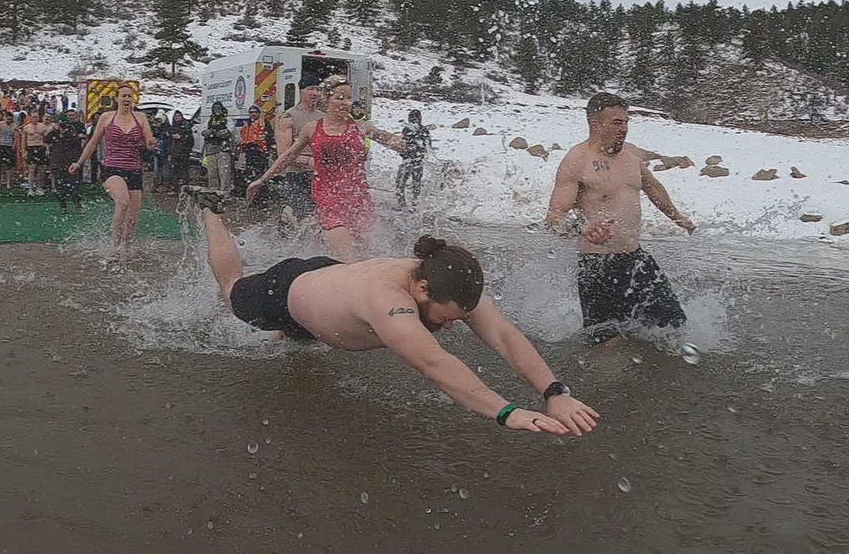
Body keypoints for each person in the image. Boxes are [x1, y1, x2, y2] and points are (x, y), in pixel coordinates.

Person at [184, 186, 600, 435]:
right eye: (447, 318)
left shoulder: (451, 284)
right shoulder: (389, 302)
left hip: (328, 290)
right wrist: (507, 412)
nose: (453, 327)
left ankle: (296, 331)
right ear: (420, 288)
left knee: (294, 344)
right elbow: (435, 363)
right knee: (231, 290)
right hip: (286, 290)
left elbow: (505, 337)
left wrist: (554, 393)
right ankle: (211, 210)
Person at [545, 92, 695, 346]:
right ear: (596, 124)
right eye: (617, 123)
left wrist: (677, 217)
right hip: (596, 266)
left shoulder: (631, 155)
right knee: (607, 345)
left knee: (672, 329)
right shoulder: (577, 160)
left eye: (626, 122)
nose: (624, 129)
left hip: (636, 260)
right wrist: (583, 229)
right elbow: (553, 218)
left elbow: (652, 186)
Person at [248, 78, 405, 260]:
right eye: (340, 98)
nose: (346, 103)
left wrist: (409, 145)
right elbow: (287, 156)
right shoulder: (312, 128)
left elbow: (393, 141)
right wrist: (262, 179)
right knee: (350, 259)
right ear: (326, 100)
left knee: (367, 256)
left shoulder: (362, 127)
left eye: (349, 98)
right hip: (328, 199)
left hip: (358, 199)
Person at [69, 84, 157, 257]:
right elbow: (93, 142)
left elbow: (149, 141)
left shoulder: (141, 118)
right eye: (123, 96)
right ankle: (114, 246)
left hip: (134, 170)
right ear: (116, 99)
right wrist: (79, 163)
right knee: (122, 202)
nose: (126, 99)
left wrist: (152, 144)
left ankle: (126, 246)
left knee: (132, 219)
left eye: (129, 96)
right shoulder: (107, 117)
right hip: (112, 168)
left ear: (133, 99)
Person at [272, 74, 325, 226]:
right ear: (301, 91)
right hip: (297, 174)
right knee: (301, 215)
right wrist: (308, 160)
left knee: (320, 215)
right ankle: (286, 239)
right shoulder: (288, 117)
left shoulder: (324, 117)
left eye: (318, 89)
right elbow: (283, 153)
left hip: (320, 175)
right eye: (311, 89)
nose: (315, 93)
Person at [46, 109, 85, 213]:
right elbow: (46, 139)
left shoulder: (72, 132)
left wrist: (68, 132)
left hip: (70, 163)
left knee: (74, 186)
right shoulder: (54, 133)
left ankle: (78, 205)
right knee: (60, 187)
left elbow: (77, 144)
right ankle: (63, 207)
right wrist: (55, 130)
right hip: (58, 163)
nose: (63, 127)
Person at [395, 109, 432, 209]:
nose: (413, 119)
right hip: (413, 161)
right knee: (409, 183)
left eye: (415, 117)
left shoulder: (419, 130)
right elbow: (402, 145)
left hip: (413, 161)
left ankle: (410, 203)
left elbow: (427, 146)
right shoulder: (418, 130)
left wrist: (408, 156)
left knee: (407, 183)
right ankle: (408, 204)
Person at [237, 104, 273, 203]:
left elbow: (270, 137)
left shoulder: (264, 123)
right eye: (251, 112)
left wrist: (267, 150)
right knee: (249, 175)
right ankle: (252, 197)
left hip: (259, 152)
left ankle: (262, 198)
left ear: (258, 113)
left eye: (255, 112)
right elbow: (243, 136)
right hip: (249, 152)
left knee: (261, 175)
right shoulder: (247, 123)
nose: (253, 114)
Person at [202, 101, 234, 192]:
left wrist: (220, 133)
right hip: (211, 149)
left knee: (224, 173)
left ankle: (224, 192)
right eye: (215, 109)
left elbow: (230, 131)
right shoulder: (209, 120)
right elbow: (202, 130)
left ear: (222, 109)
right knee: (212, 172)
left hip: (223, 149)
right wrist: (208, 132)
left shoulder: (227, 119)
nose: (217, 110)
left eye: (219, 108)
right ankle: (213, 190)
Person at [22, 110, 52, 196]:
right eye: (33, 117)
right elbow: (24, 141)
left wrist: (47, 150)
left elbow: (46, 140)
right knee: (32, 169)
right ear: (30, 117)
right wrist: (24, 151)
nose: (35, 118)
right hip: (31, 148)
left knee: (41, 169)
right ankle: (31, 188)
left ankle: (39, 187)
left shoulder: (42, 127)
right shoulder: (27, 127)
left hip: (40, 148)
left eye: (36, 117)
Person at [167, 110, 194, 193]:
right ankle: (175, 188)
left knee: (184, 170)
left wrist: (181, 137)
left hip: (183, 153)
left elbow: (190, 140)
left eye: (179, 116)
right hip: (174, 152)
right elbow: (169, 141)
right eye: (176, 117)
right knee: (174, 171)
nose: (177, 118)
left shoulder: (186, 127)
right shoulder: (172, 128)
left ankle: (184, 189)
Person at [0, 112, 17, 190]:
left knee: (9, 166)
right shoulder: (0, 125)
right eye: (7, 118)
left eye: (10, 119)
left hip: (9, 146)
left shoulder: (14, 126)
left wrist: (13, 147)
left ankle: (8, 182)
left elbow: (15, 137)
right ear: (4, 118)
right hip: (1, 146)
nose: (8, 120)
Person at [151, 113, 172, 193]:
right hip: (157, 152)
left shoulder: (167, 130)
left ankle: (165, 185)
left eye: (159, 121)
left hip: (165, 152)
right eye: (157, 121)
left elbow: (169, 141)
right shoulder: (155, 129)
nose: (157, 123)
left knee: (165, 170)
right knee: (156, 170)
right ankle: (156, 184)